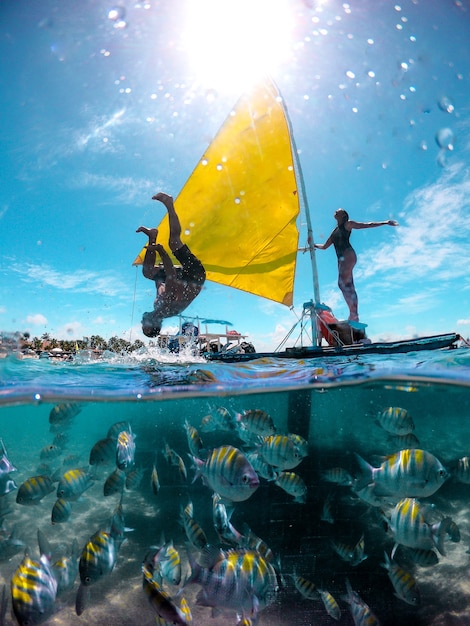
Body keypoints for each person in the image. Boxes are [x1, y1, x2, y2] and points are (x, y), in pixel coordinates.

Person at [137, 192, 206, 337]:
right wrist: (161, 252)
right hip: (195, 275)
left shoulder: (157, 306)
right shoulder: (167, 308)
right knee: (174, 242)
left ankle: (152, 235)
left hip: (180, 277)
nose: (142, 322)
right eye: (145, 326)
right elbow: (171, 276)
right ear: (154, 323)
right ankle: (169, 204)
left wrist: (153, 247)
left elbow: (160, 280)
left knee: (147, 272)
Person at [314, 208, 398, 324]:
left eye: (339, 210)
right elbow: (324, 246)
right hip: (341, 260)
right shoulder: (334, 231)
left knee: (342, 283)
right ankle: (354, 314)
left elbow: (367, 225)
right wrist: (313, 245)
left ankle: (353, 313)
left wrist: (385, 222)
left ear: (343, 215)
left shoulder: (348, 224)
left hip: (347, 255)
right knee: (349, 285)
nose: (336, 210)